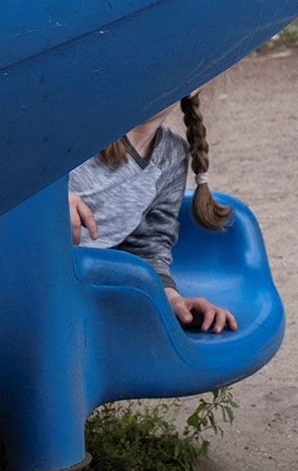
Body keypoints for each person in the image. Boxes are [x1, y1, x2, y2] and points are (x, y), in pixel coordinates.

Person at [68, 93, 236, 333]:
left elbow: (145, 248)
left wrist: (171, 300)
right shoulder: (75, 127)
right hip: (27, 278)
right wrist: (43, 202)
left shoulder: (171, 156)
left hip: (85, 291)